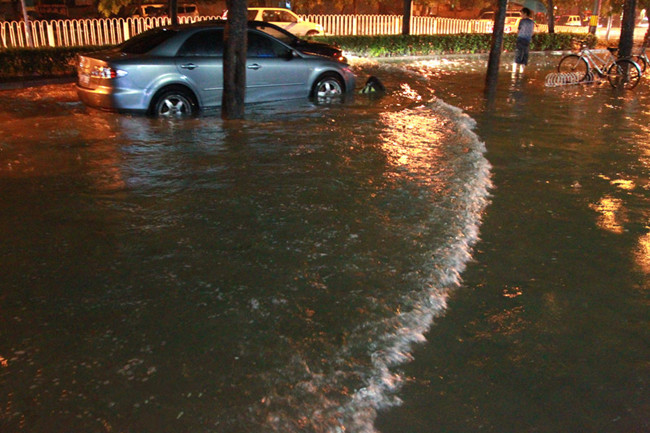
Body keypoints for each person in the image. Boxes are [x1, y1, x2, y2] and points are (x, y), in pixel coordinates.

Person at [513, 7, 535, 75]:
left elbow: (519, 30)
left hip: (520, 39)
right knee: (525, 55)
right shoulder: (532, 22)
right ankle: (521, 72)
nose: (521, 15)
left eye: (521, 13)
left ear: (525, 13)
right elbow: (532, 32)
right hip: (527, 40)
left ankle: (514, 72)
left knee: (518, 55)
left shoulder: (522, 21)